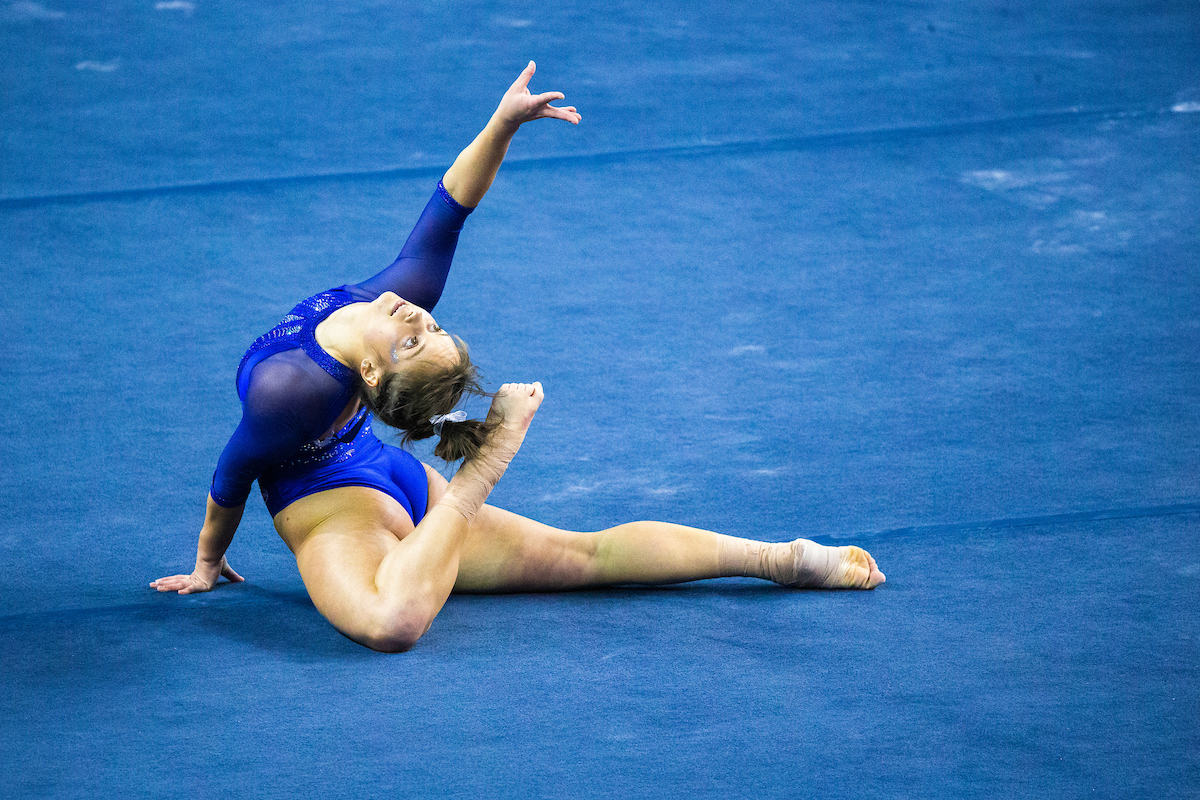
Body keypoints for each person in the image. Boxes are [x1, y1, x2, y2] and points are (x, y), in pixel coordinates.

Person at [152, 62, 885, 653]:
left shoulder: (299, 380)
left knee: (390, 622)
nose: (415, 315)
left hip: (332, 506)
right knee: (583, 560)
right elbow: (448, 208)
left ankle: (770, 556)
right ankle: (780, 558)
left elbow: (233, 473)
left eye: (420, 333)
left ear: (372, 378)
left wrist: (207, 566)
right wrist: (503, 125)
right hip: (388, 479)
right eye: (422, 332)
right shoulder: (357, 334)